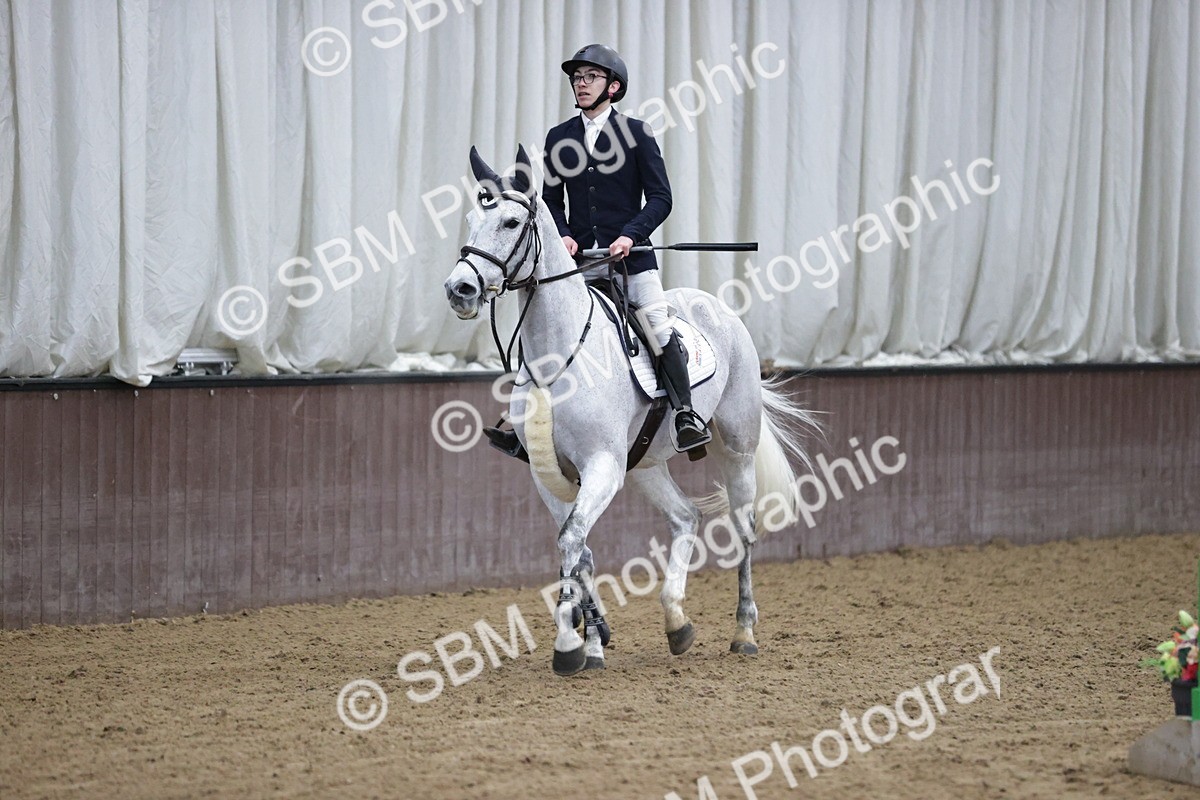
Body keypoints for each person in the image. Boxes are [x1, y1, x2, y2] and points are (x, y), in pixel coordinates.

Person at [485, 44, 711, 459]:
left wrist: (630, 235)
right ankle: (521, 424)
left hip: (630, 262)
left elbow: (661, 198)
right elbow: (550, 200)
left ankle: (685, 415)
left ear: (614, 86)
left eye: (590, 76)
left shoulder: (637, 133)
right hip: (579, 265)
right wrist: (564, 234)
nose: (581, 83)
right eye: (577, 77)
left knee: (657, 327)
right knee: (540, 325)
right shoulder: (559, 137)